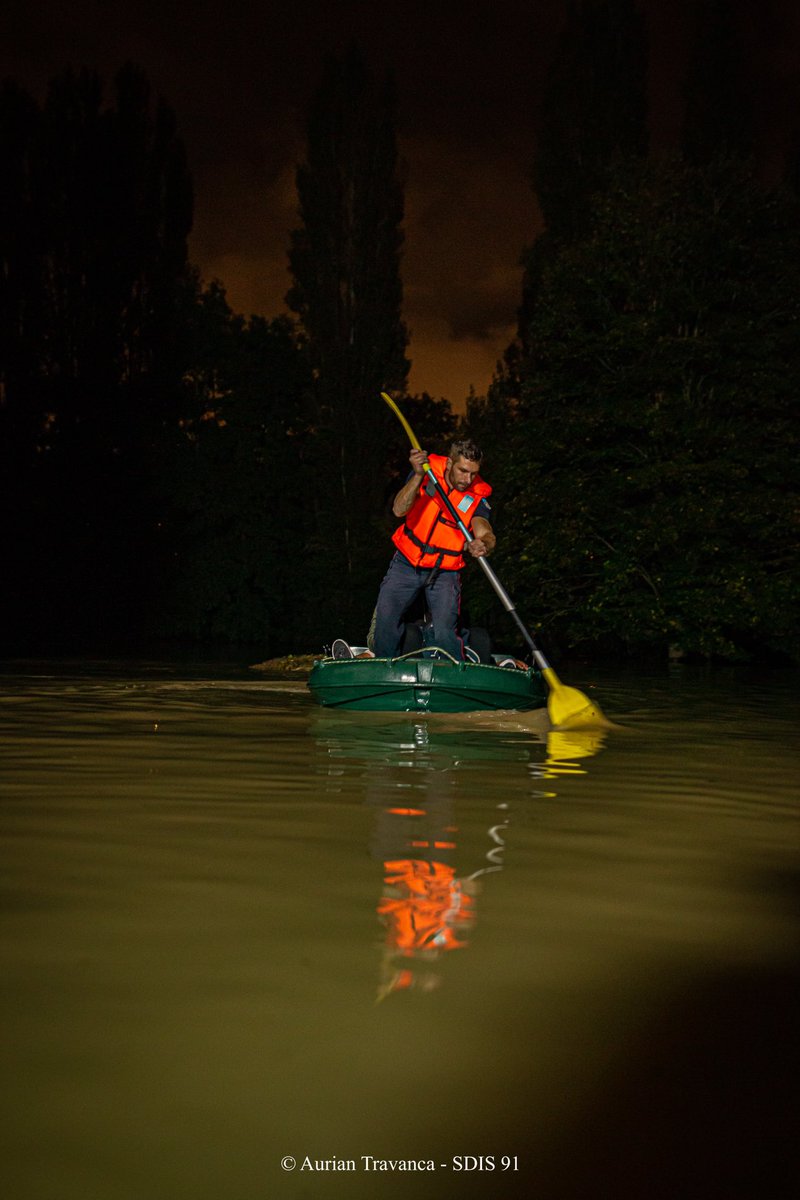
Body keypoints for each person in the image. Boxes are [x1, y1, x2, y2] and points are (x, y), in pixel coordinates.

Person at [372, 438, 495, 660]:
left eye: (473, 473)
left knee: (445, 629)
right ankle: (384, 664)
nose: (467, 479)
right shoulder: (426, 473)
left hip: (444, 571)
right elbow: (399, 510)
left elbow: (484, 530)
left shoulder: (477, 495)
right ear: (449, 463)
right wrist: (418, 475)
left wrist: (484, 543)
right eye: (463, 471)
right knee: (387, 617)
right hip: (407, 561)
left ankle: (450, 672)